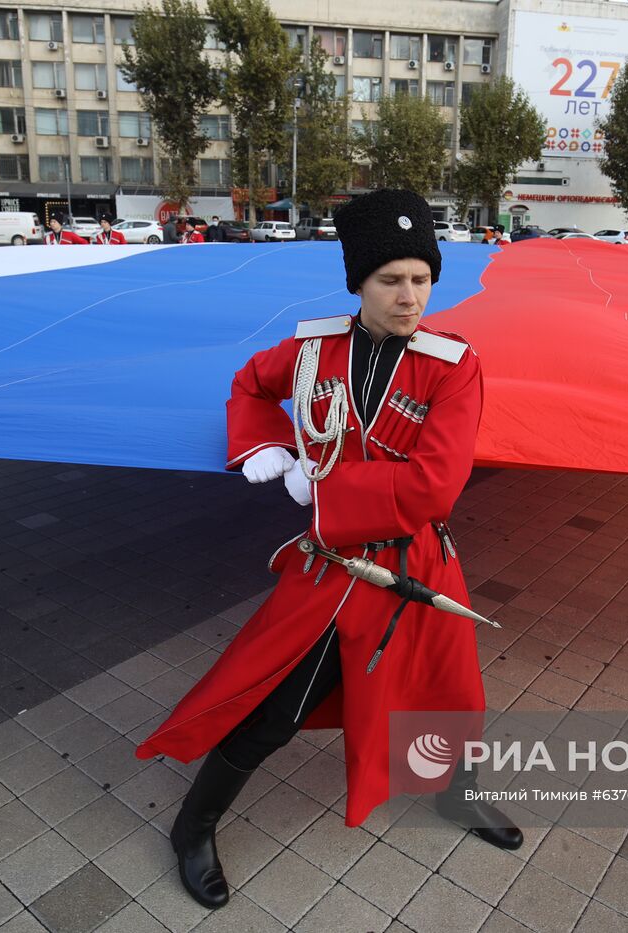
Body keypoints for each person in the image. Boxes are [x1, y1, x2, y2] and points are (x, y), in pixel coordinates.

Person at [135, 188, 522, 911]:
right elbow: (250, 385)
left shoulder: (452, 364)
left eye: (422, 279)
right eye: (391, 279)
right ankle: (194, 825)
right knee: (274, 707)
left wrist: (322, 488)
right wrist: (266, 445)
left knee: (449, 694)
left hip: (418, 558)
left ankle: (455, 794)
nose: (410, 297)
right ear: (358, 282)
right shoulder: (313, 350)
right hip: (335, 570)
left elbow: (435, 486)